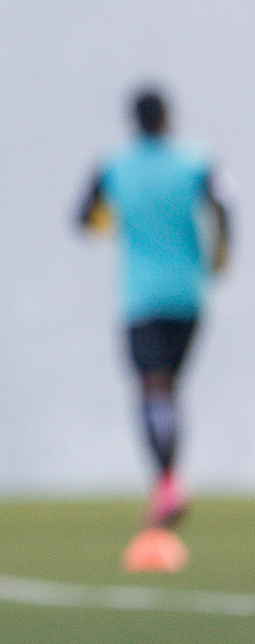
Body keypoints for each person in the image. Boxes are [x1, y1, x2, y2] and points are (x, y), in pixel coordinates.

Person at [78, 86, 232, 527]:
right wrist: (221, 253)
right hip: (189, 293)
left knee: (153, 390)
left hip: (141, 297)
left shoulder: (114, 167)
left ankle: (167, 483)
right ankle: (167, 483)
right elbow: (225, 205)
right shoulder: (196, 161)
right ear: (169, 119)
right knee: (169, 392)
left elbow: (84, 218)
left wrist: (115, 220)